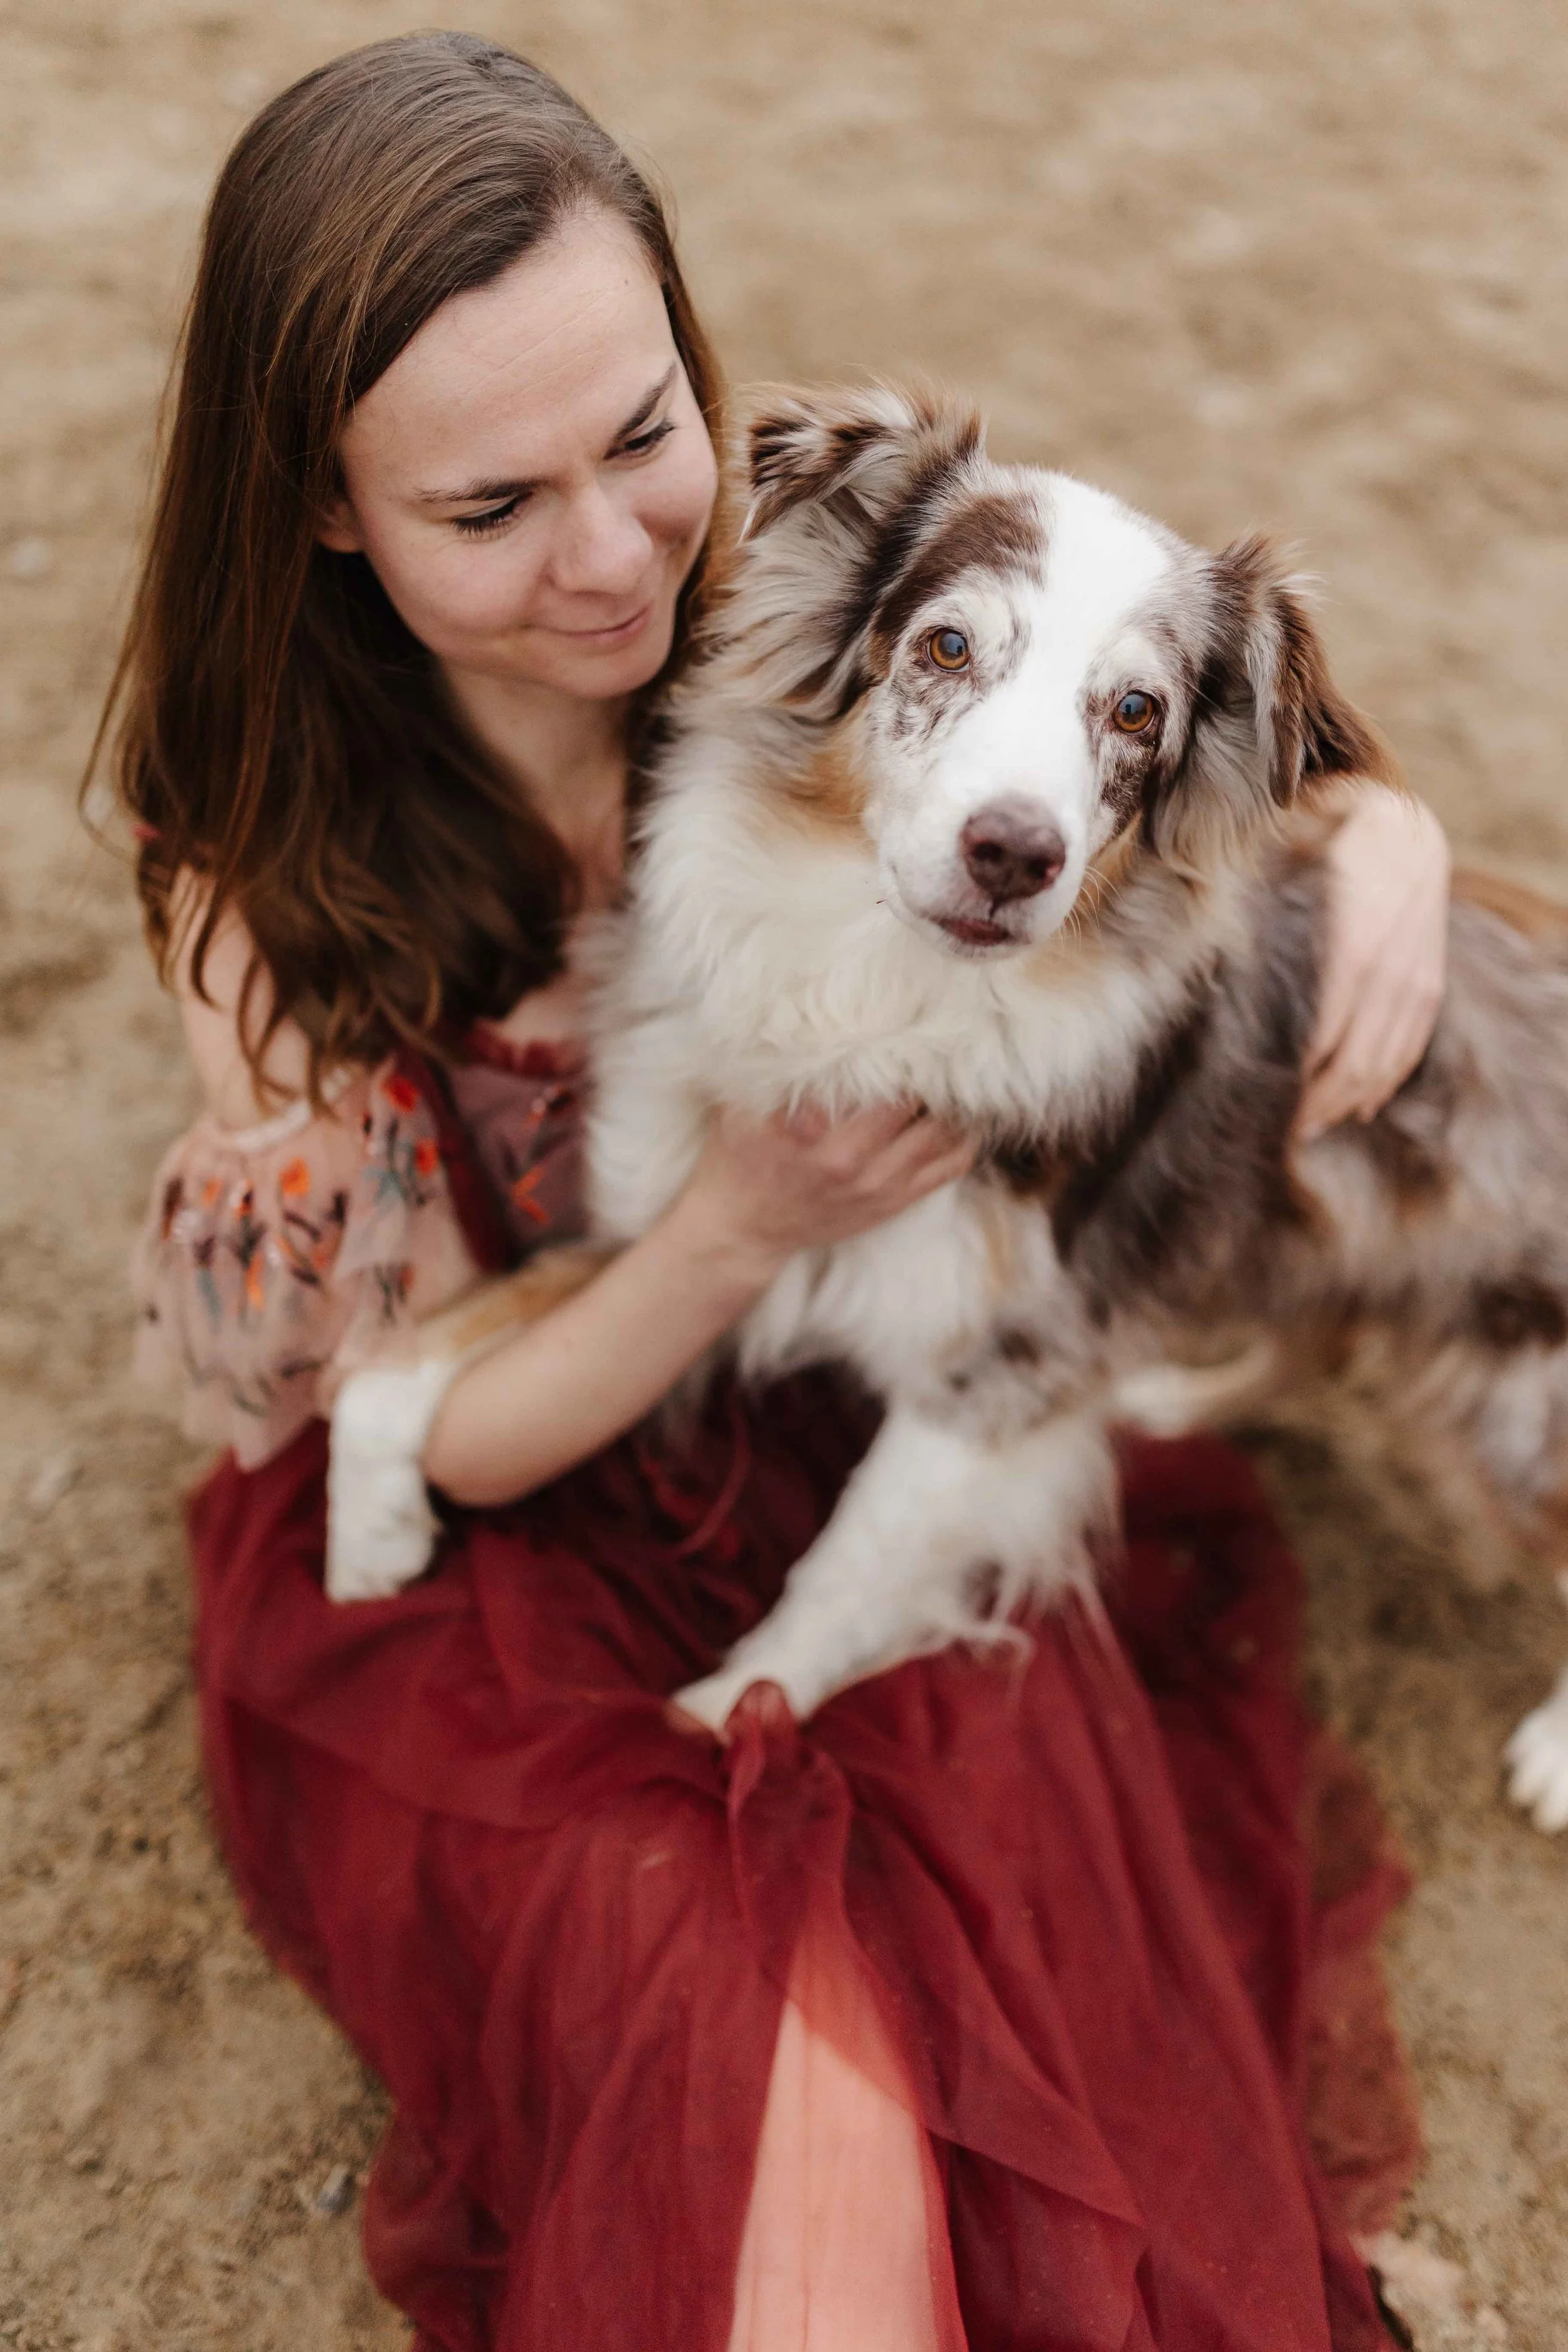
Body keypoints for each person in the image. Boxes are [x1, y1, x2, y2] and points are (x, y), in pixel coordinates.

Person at [107, 33, 1448, 2352]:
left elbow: (1147, 728)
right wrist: (739, 1215)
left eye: (641, 432)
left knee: (960, 2011)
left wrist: (1396, 828)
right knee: (714, 1984)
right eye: (488, 506)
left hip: (842, 1400)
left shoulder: (814, 591)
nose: (616, 551)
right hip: (519, 1483)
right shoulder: (256, 872)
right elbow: (435, 1437)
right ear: (326, 510)